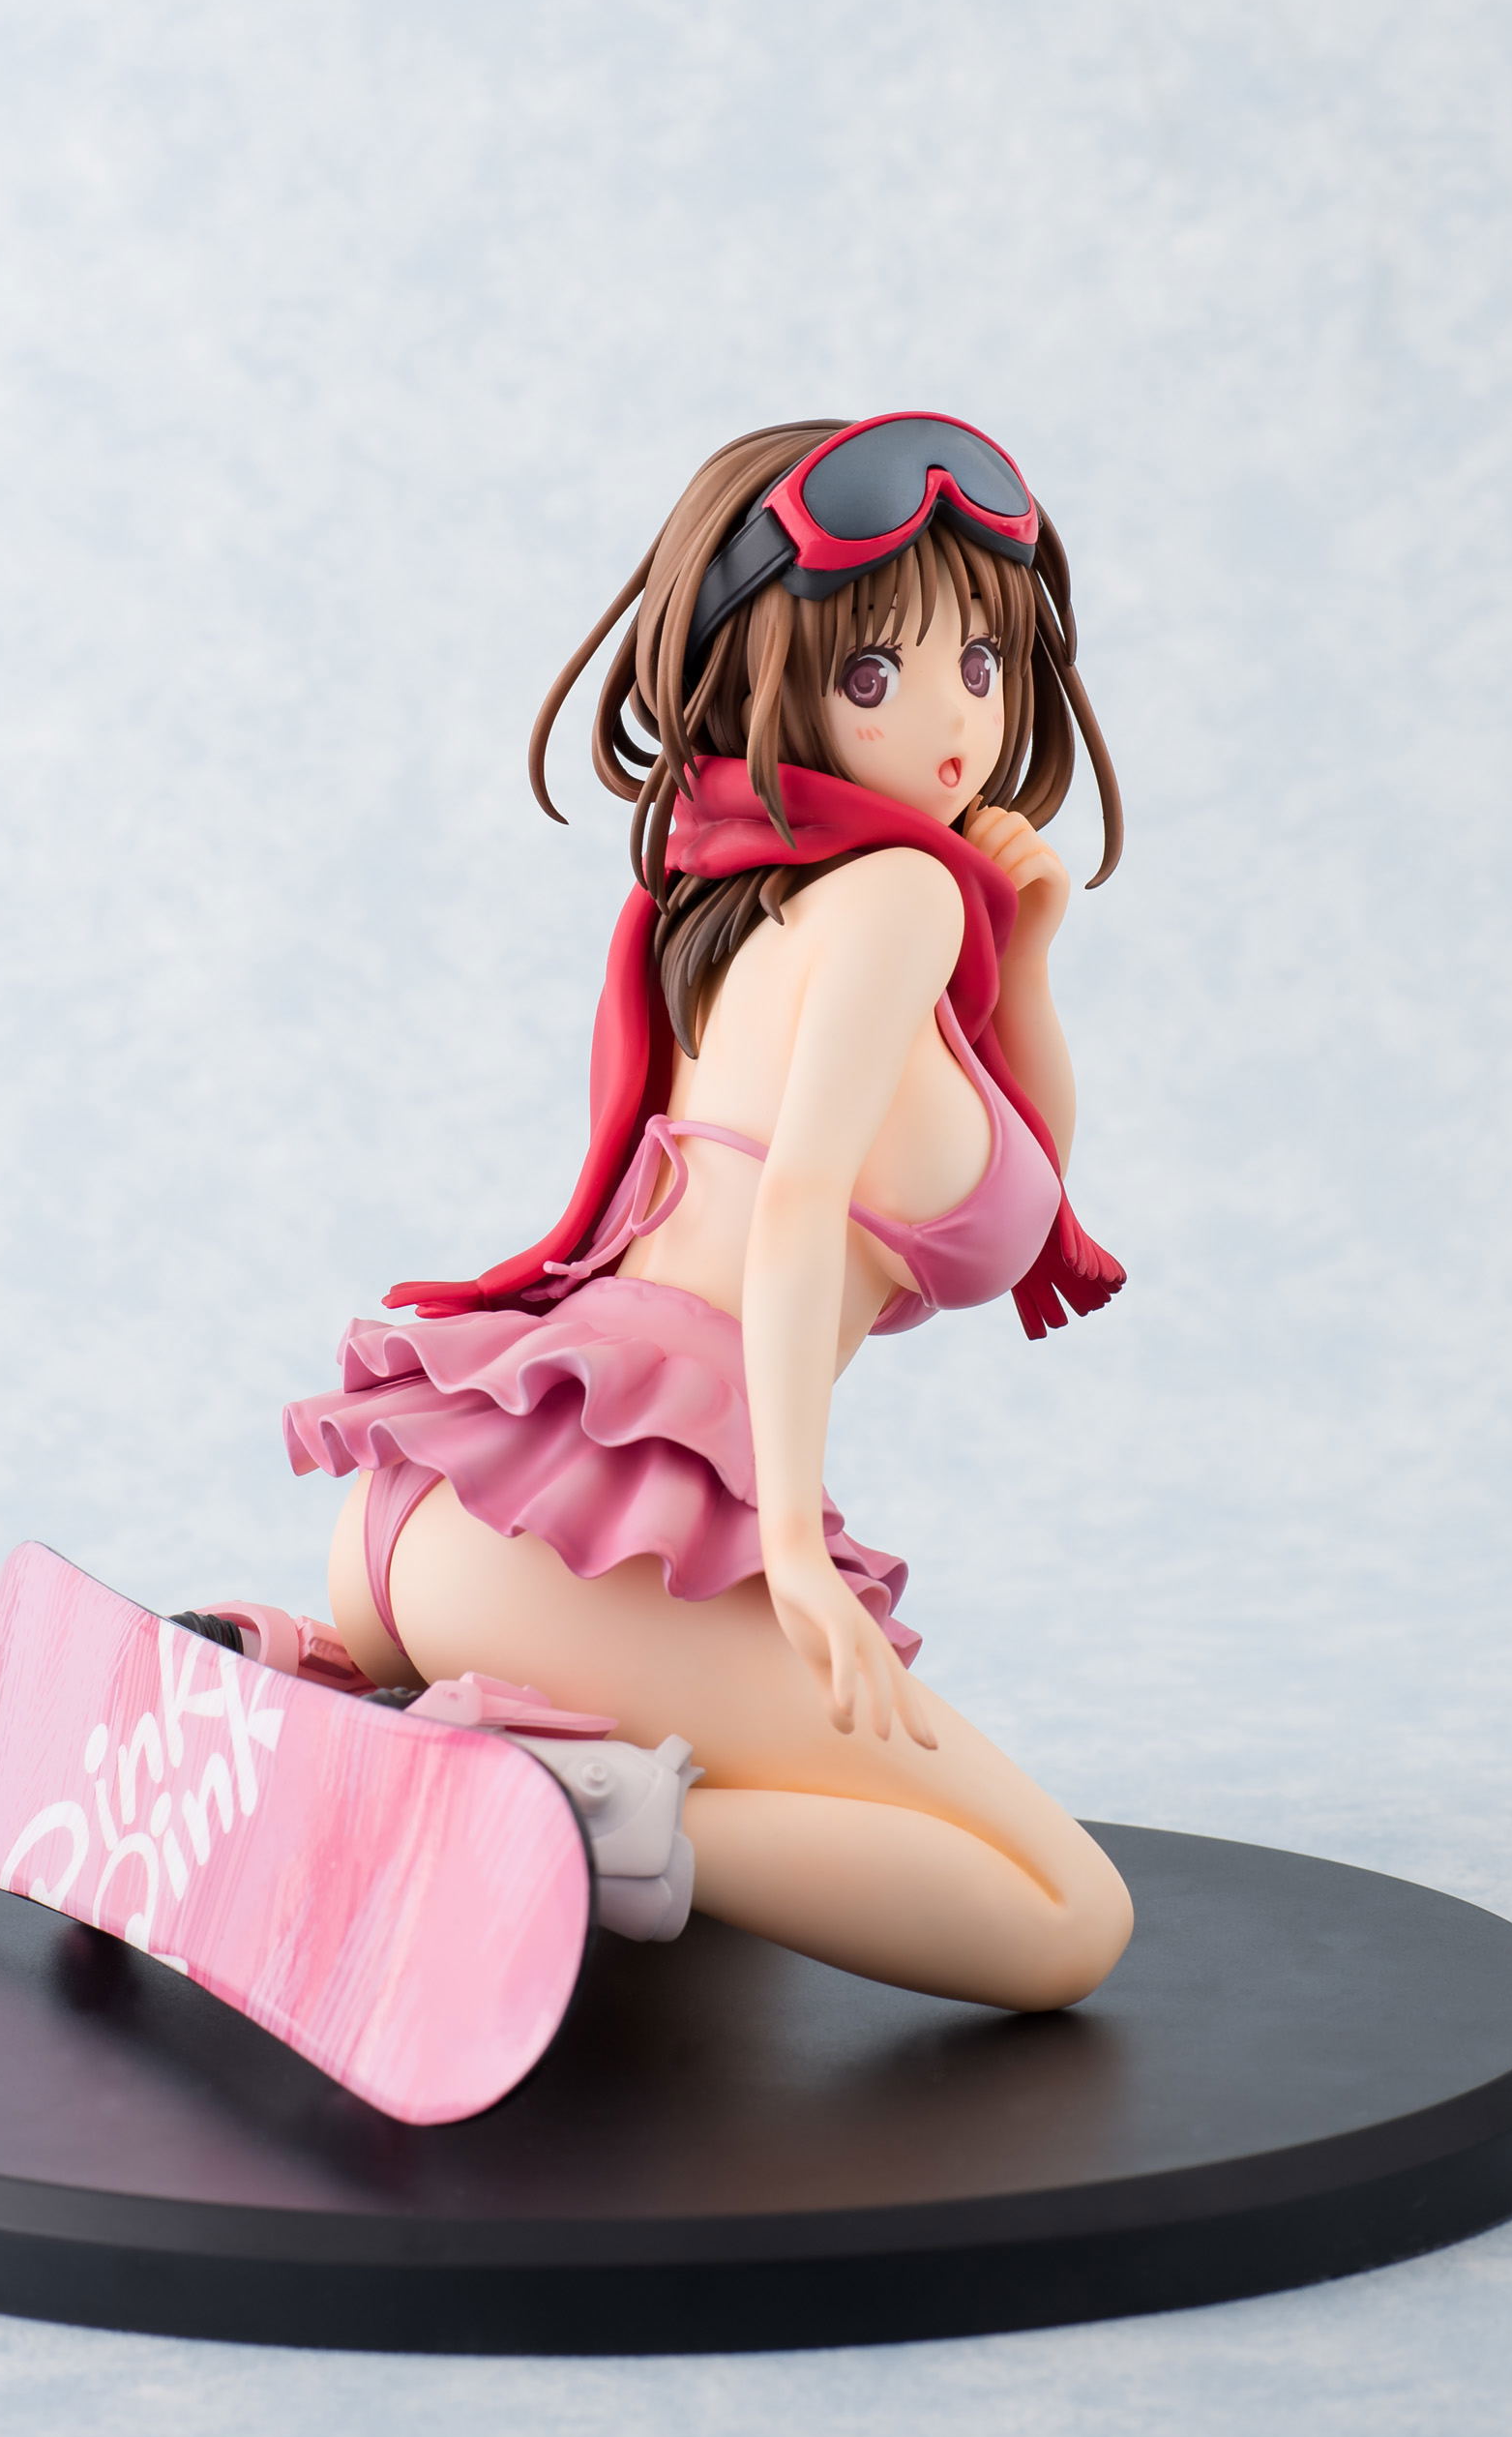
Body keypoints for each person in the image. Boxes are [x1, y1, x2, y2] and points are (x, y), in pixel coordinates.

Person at [282, 413, 1136, 2014]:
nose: (955, 720)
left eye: (982, 663)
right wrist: (796, 1552)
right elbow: (798, 1209)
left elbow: (1018, 1181)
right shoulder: (892, 895)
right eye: (875, 673)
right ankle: (536, 1810)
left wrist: (1025, 957)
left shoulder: (724, 894)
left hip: (454, 1522)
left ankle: (303, 1692)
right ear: (761, 673)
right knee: (1063, 1917)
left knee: (947, 1858)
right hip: (594, 1546)